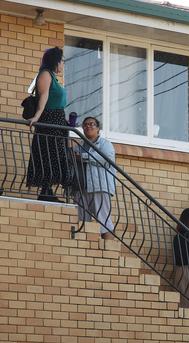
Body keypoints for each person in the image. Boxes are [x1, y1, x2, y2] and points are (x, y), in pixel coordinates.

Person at [26, 47, 70, 202]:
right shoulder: (45, 74)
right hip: (50, 120)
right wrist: (37, 116)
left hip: (57, 120)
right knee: (49, 155)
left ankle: (47, 190)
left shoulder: (52, 76)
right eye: (62, 61)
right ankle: (46, 191)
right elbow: (43, 97)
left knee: (55, 155)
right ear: (56, 61)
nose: (63, 64)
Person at [75, 117, 116, 240]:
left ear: (98, 128)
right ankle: (84, 250)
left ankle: (109, 252)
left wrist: (83, 157)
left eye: (92, 124)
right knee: (82, 222)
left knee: (104, 221)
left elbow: (106, 159)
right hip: (81, 187)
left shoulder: (105, 144)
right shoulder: (80, 145)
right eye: (85, 125)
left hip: (99, 186)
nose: (88, 126)